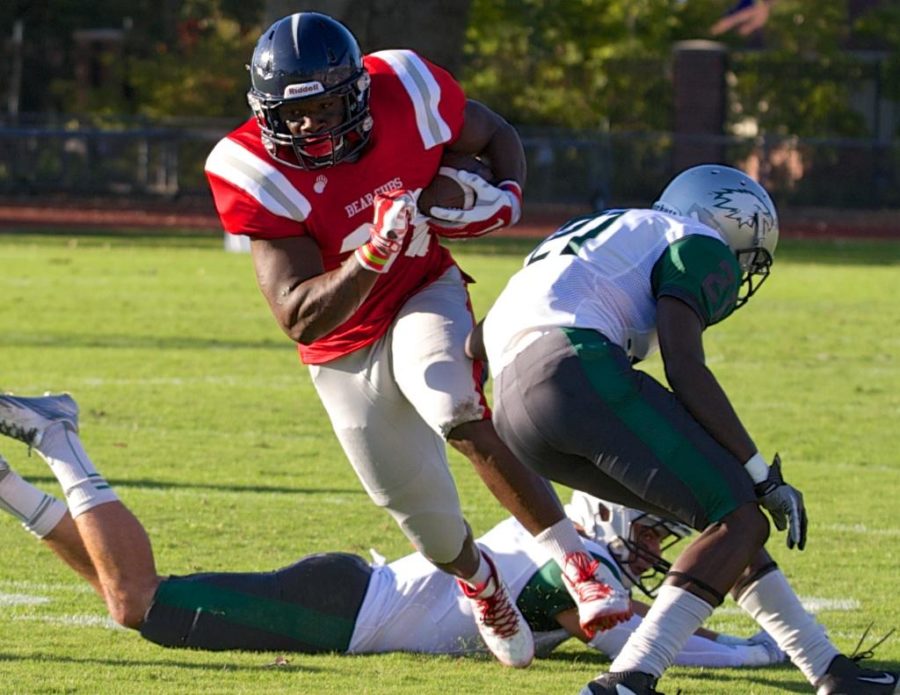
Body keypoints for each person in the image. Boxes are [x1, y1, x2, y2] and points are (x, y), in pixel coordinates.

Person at [202, 11, 628, 668]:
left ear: (358, 92)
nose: (311, 126)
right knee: (421, 514)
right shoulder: (250, 168)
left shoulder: (406, 85)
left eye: (324, 106)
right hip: (341, 342)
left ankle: (575, 560)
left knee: (453, 404)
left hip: (421, 289)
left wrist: (507, 195)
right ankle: (480, 580)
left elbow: (495, 133)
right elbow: (297, 313)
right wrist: (372, 254)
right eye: (294, 115)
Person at [469, 164, 900, 694]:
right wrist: (761, 474)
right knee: (740, 516)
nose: (738, 269)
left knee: (721, 515)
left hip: (516, 415)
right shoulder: (696, 241)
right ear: (723, 222)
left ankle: (830, 670)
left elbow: (476, 345)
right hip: (574, 370)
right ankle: (629, 679)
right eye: (744, 253)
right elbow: (684, 366)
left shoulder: (599, 231)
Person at [0, 393, 785, 668]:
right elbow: (626, 643)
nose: (655, 549)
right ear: (604, 512)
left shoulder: (576, 561)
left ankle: (7, 485)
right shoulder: (578, 571)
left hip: (351, 598)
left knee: (129, 593)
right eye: (651, 533)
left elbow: (639, 628)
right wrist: (757, 649)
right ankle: (59, 437)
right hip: (346, 613)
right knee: (139, 603)